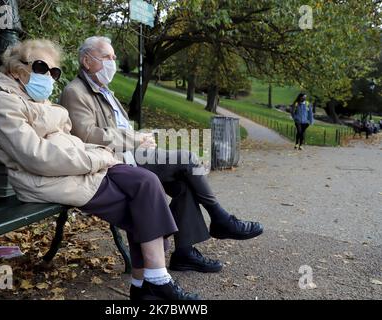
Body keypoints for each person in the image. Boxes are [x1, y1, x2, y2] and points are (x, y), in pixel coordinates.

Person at [0, 39, 199, 300]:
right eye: (40, 67)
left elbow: (71, 143)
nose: (48, 76)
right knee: (140, 203)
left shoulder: (38, 100)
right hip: (46, 179)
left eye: (53, 71)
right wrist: (98, 159)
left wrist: (97, 155)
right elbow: (36, 157)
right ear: (15, 69)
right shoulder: (3, 103)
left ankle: (145, 285)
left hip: (78, 168)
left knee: (146, 183)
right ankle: (153, 282)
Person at [59, 36, 264, 288]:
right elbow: (86, 134)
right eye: (107, 58)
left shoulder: (104, 90)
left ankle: (185, 253)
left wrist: (141, 138)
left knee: (183, 181)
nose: (113, 62)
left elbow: (117, 127)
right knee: (188, 159)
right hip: (116, 161)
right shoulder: (75, 92)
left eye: (114, 57)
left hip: (131, 152)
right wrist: (135, 139)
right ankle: (220, 218)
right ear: (86, 61)